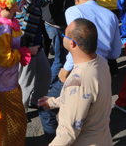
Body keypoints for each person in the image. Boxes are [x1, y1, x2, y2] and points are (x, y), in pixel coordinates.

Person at [38, 18, 113, 146]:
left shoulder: (79, 81)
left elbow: (68, 133)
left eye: (64, 35)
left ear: (72, 44)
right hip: (103, 138)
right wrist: (53, 102)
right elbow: (83, 100)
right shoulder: (100, 62)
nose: (63, 37)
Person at [0, 0, 38, 146]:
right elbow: (4, 59)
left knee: (2, 116)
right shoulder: (5, 29)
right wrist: (25, 51)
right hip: (4, 81)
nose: (24, 2)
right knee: (17, 120)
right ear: (12, 2)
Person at [18, 0, 63, 112]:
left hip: (37, 46)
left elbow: (43, 1)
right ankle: (21, 113)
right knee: (26, 82)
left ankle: (34, 100)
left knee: (45, 74)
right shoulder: (26, 1)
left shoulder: (36, 2)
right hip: (26, 47)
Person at [44, 0, 79, 85]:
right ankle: (48, 86)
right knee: (60, 59)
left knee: (59, 57)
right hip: (56, 25)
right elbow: (68, 12)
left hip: (48, 20)